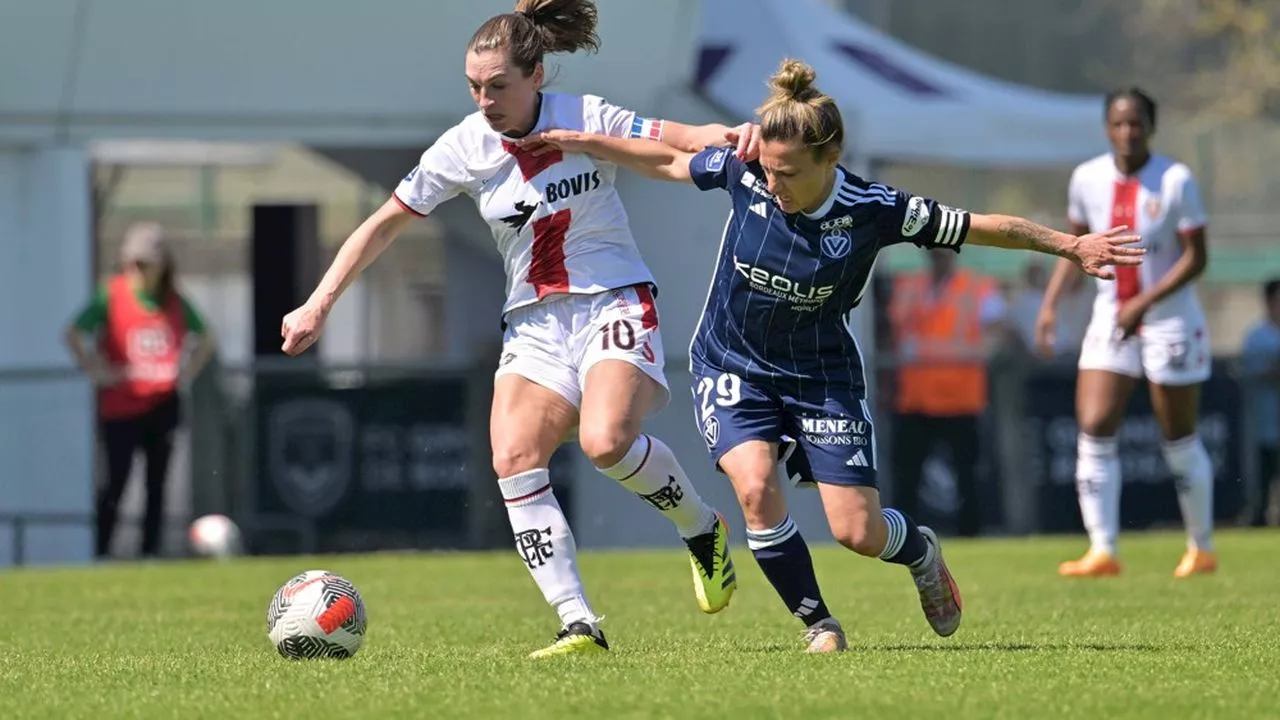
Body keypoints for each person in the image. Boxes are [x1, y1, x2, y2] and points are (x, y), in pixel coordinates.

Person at [528, 59, 1143, 652]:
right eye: (768, 169)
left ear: (830, 157)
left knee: (858, 531)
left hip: (822, 377)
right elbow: (668, 157)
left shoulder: (876, 210)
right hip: (732, 363)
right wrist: (582, 142)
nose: (773, 183)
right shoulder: (747, 171)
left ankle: (921, 552)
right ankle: (818, 624)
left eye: (789, 172)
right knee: (754, 486)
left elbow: (983, 225)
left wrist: (1070, 244)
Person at [278, 0, 754, 659]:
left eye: (497, 85)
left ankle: (702, 529)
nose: (484, 100)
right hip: (534, 323)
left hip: (612, 302)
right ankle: (578, 623)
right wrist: (317, 304)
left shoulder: (584, 115)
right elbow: (384, 221)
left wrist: (731, 136)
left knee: (606, 441)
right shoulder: (462, 147)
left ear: (535, 75)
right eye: (474, 87)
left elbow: (673, 139)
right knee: (513, 458)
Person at [1036, 88, 1216, 578]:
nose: (1127, 132)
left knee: (1178, 437)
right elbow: (1077, 248)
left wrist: (1145, 301)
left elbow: (1197, 258)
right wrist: (1050, 306)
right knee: (1093, 425)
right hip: (1112, 316)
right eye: (1118, 123)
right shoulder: (1087, 179)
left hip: (1170, 320)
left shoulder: (1176, 180)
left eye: (1136, 124)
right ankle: (1103, 550)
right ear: (1106, 128)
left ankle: (1200, 548)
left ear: (1150, 128)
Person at [64, 221, 216, 559]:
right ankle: (102, 553)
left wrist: (186, 372)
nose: (138, 271)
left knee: (156, 485)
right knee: (113, 484)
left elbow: (205, 336)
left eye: (145, 263)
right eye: (132, 263)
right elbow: (74, 332)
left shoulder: (174, 302)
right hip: (119, 408)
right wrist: (96, 370)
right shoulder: (112, 295)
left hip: (163, 403)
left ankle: (150, 553)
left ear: (163, 265)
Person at [888, 249, 1007, 537]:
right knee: (907, 475)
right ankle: (904, 537)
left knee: (968, 475)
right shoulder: (910, 285)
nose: (939, 257)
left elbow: (996, 336)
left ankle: (971, 533)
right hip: (916, 398)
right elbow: (894, 328)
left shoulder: (977, 287)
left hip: (960, 399)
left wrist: (959, 352)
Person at [1240, 278, 1280, 527]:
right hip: (1266, 422)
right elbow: (1255, 374)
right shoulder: (1257, 337)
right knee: (1264, 475)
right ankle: (1259, 517)